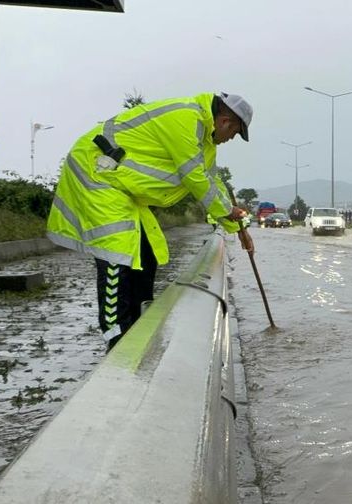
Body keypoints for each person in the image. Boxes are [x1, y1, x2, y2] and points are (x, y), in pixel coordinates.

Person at [46, 92, 255, 350]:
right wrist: (228, 213)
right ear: (225, 122)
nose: (229, 140)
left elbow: (213, 183)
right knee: (117, 255)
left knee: (146, 256)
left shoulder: (205, 142)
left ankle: (139, 329)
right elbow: (196, 180)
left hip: (123, 189)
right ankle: (117, 338)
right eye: (234, 134)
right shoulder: (186, 117)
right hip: (98, 175)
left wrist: (238, 227)